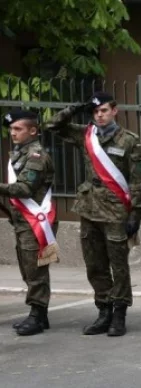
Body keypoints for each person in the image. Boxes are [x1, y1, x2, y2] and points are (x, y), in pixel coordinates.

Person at [47, 91, 141, 337]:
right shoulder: (86, 134)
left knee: (118, 266)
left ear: (114, 111)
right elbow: (52, 126)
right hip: (89, 209)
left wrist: (136, 213)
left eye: (103, 110)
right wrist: (73, 109)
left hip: (115, 211)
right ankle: (103, 311)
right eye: (95, 112)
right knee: (94, 264)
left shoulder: (129, 141)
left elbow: (139, 181)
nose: (99, 115)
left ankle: (119, 313)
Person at [1, 110, 57, 336]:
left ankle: (37, 315)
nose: (13, 133)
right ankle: (40, 315)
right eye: (11, 129)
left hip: (37, 221)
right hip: (24, 221)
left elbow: (25, 188)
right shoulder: (20, 153)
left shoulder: (36, 156)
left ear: (33, 131)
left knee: (36, 270)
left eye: (18, 129)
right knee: (28, 268)